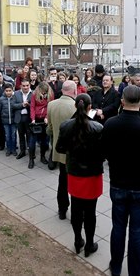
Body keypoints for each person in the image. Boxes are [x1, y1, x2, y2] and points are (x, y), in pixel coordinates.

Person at [101, 85, 140, 276]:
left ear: (122, 101)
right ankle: (135, 271)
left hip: (119, 183)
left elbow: (105, 152)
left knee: (118, 228)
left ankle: (116, 267)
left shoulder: (111, 124)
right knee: (137, 231)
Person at [56, 93, 104, 258]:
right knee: (91, 211)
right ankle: (89, 244)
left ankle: (78, 240)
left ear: (75, 106)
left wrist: (73, 151)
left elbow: (59, 149)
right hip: (92, 175)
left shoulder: (66, 126)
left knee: (76, 209)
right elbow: (103, 153)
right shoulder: (98, 128)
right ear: (90, 107)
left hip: (75, 173)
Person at [46, 80, 78, 220]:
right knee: (75, 184)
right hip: (74, 153)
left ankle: (62, 210)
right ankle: (77, 212)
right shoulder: (76, 106)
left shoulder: (51, 104)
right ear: (74, 91)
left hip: (59, 151)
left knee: (62, 182)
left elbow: (49, 129)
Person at [28, 81, 53, 169]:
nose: (43, 93)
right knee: (32, 141)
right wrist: (33, 118)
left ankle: (42, 156)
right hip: (36, 119)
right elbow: (32, 107)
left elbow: (50, 106)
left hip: (45, 120)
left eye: (45, 92)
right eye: (42, 91)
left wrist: (47, 117)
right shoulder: (34, 94)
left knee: (44, 141)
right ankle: (31, 159)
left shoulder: (50, 95)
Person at [0, 83, 20, 156]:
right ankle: (8, 149)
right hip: (5, 121)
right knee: (7, 135)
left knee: (13, 135)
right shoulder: (1, 99)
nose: (8, 92)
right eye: (7, 91)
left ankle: (13, 149)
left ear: (12, 90)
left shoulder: (15, 98)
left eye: (10, 90)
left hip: (13, 120)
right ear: (4, 91)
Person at [14, 79, 33, 159]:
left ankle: (31, 151)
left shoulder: (33, 93)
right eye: (24, 86)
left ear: (29, 85)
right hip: (19, 117)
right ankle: (22, 151)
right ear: (20, 86)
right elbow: (13, 105)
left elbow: (35, 106)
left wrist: (28, 105)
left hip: (29, 117)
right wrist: (22, 105)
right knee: (21, 135)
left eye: (27, 85)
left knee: (30, 135)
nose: (25, 87)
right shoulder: (16, 93)